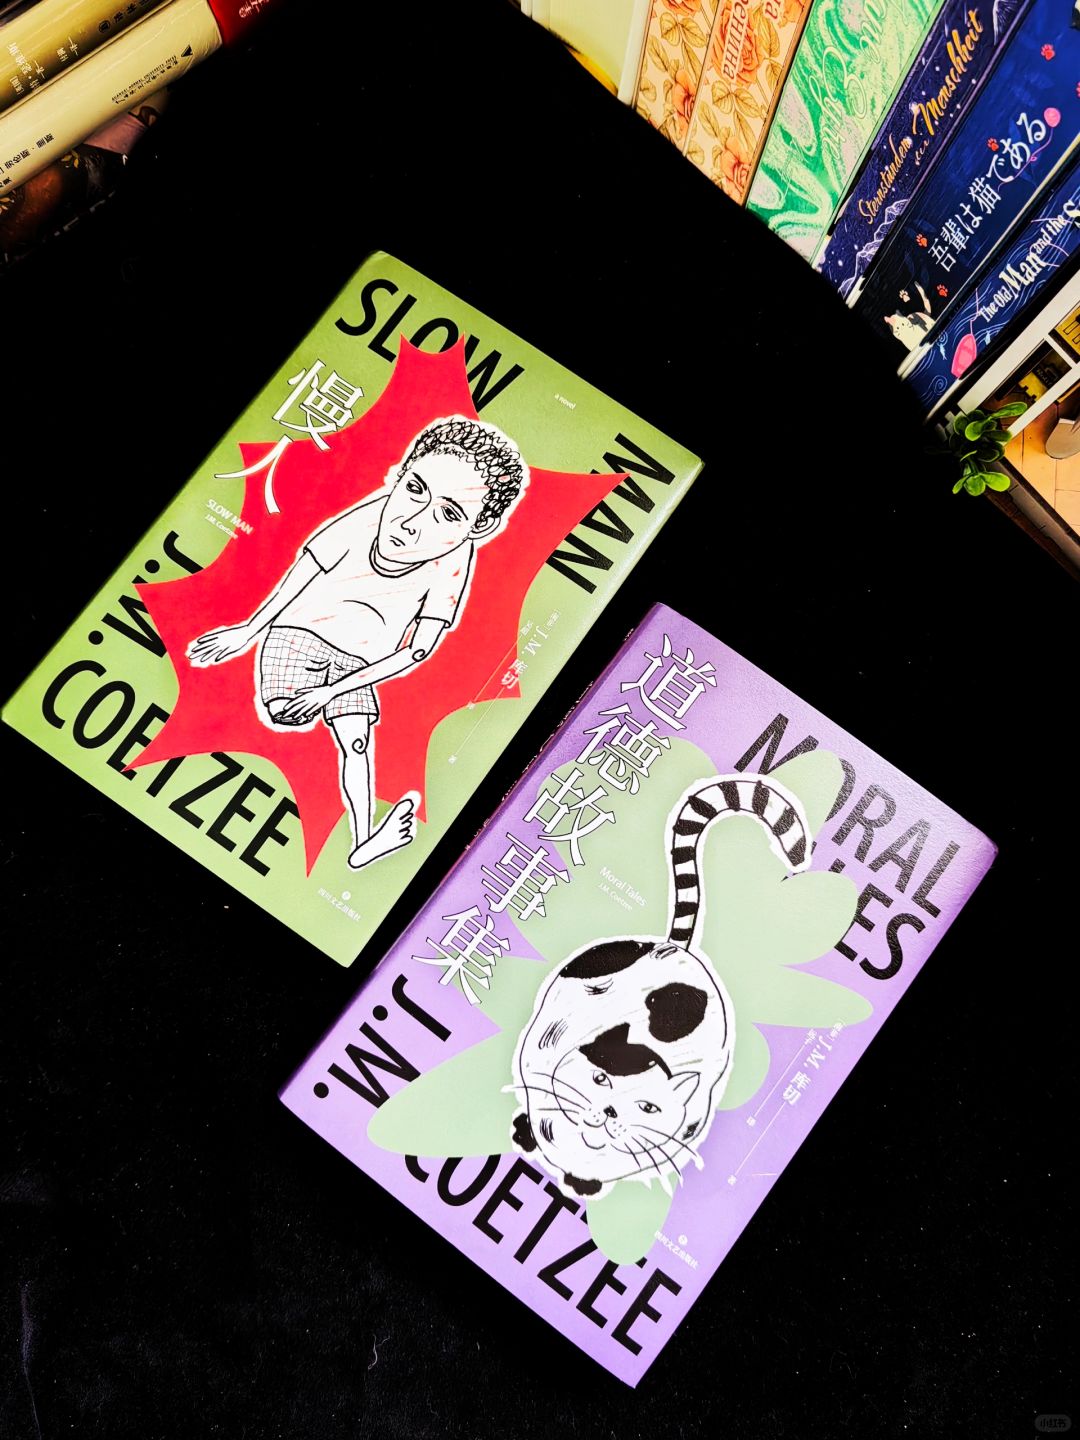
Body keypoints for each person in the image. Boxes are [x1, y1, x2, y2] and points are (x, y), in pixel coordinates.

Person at [188, 415, 528, 869]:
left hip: (357, 665)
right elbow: (308, 566)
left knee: (358, 743)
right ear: (398, 473)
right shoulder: (369, 516)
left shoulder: (454, 560)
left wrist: (332, 691)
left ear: (477, 530)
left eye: (448, 514)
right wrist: (249, 630)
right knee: (284, 711)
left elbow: (417, 649)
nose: (411, 521)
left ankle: (364, 838)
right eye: (415, 489)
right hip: (298, 637)